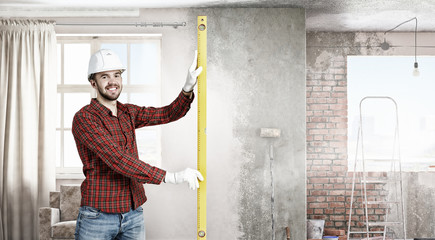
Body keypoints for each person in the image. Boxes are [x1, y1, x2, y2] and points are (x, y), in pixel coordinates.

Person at [72, 49, 204, 240]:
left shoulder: (128, 112)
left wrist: (187, 87)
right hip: (98, 216)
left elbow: (168, 113)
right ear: (93, 82)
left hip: (133, 214)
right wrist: (171, 177)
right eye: (104, 76)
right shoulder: (85, 118)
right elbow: (118, 159)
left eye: (117, 75)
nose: (112, 81)